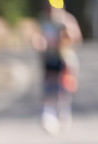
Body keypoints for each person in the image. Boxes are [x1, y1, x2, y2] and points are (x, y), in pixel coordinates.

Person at [33, 0, 83, 134]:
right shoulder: (43, 20)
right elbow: (37, 37)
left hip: (65, 58)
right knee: (49, 85)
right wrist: (40, 43)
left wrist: (68, 34)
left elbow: (77, 38)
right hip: (49, 58)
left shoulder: (67, 20)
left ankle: (64, 111)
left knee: (64, 86)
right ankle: (49, 114)